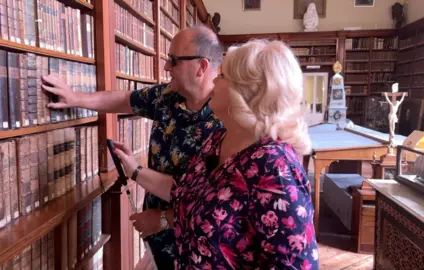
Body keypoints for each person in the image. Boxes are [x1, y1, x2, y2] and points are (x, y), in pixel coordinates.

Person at [113, 39, 319, 269]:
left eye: (222, 75)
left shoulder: (274, 167)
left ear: (245, 91)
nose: (213, 80)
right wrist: (136, 172)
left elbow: (295, 264)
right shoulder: (217, 141)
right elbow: (188, 197)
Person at [41, 25, 224, 269]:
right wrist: (77, 99)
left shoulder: (226, 117)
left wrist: (160, 216)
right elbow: (126, 100)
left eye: (173, 60)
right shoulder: (169, 96)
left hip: (197, 245)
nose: (166, 67)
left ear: (201, 66)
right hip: (158, 237)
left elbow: (214, 198)